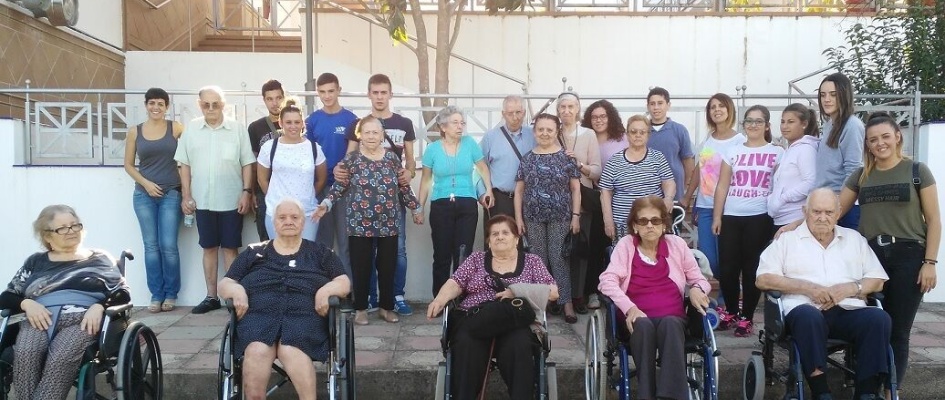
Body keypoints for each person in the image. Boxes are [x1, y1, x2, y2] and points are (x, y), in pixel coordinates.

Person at [779, 113, 940, 397]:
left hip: (908, 255)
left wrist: (930, 262)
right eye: (873, 140)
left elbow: (935, 221)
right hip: (870, 252)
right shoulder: (862, 174)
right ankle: (863, 385)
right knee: (869, 320)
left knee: (898, 330)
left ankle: (890, 391)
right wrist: (794, 224)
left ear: (897, 136)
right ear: (867, 144)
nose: (880, 144)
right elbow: (832, 211)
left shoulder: (917, 170)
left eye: (885, 137)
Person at [756, 188, 892, 400]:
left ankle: (867, 392)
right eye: (816, 211)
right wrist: (808, 288)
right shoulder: (786, 240)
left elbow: (878, 280)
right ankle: (821, 392)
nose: (822, 217)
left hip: (847, 309)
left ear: (838, 213)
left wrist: (851, 288)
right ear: (805, 211)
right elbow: (763, 278)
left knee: (878, 318)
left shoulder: (854, 239)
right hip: (804, 312)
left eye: (828, 212)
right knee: (808, 317)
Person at [218, 198, 351, 400]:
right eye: (282, 217)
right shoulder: (254, 252)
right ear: (274, 222)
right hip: (258, 318)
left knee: (291, 349)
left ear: (303, 222)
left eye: (294, 217)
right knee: (256, 349)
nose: (288, 221)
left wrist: (326, 290)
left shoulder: (320, 253)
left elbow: (343, 281)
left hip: (305, 318)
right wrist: (237, 291)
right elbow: (225, 283)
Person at [0, 205, 130, 400]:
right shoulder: (35, 262)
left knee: (60, 357)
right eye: (62, 228)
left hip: (83, 320)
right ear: (47, 236)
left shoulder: (100, 258)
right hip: (38, 319)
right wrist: (27, 304)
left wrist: (100, 306)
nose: (71, 231)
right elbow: (7, 296)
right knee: (26, 353)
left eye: (75, 226)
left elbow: (122, 293)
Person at [426, 215, 559, 400]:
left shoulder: (532, 261)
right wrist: (439, 301)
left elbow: (553, 292)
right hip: (476, 316)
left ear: (516, 239)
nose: (500, 236)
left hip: (516, 322)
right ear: (488, 241)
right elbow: (455, 282)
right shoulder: (476, 259)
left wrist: (516, 291)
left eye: (505, 232)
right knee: (465, 344)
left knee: (519, 345)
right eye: (494, 234)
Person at [597, 195, 712, 400]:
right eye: (643, 221)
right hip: (636, 320)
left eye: (656, 220)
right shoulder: (626, 245)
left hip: (672, 319)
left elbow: (700, 279)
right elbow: (607, 281)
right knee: (643, 324)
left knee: (670, 323)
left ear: (664, 224)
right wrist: (630, 308)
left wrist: (696, 289)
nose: (650, 225)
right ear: (635, 225)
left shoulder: (676, 245)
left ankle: (670, 397)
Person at [316, 116, 423, 325]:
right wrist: (326, 204)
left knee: (387, 267)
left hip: (389, 224)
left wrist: (416, 208)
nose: (372, 136)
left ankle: (386, 307)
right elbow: (339, 187)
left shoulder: (392, 159)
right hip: (359, 225)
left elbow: (403, 187)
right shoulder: (352, 160)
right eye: (367, 132)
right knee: (361, 267)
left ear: (382, 135)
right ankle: (361, 309)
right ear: (360, 136)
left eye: (375, 132)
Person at [175, 85, 256, 314]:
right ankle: (211, 297)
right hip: (203, 200)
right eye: (206, 104)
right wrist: (186, 195)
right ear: (199, 105)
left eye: (216, 104)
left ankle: (231, 296)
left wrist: (246, 192)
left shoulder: (237, 129)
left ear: (223, 105)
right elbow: (184, 164)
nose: (211, 108)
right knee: (209, 248)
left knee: (231, 248)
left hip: (231, 198)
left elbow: (247, 163)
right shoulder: (191, 129)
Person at [343, 74, 416, 315]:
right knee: (365, 255)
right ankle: (371, 298)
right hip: (363, 207)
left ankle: (397, 296)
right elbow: (350, 156)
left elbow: (411, 160)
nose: (379, 97)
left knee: (398, 251)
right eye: (375, 92)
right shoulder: (361, 123)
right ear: (369, 94)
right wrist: (340, 169)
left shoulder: (404, 123)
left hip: (393, 202)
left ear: (390, 94)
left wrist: (409, 174)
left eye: (384, 92)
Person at [711, 105, 783, 337]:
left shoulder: (777, 152)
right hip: (732, 215)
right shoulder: (732, 151)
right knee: (728, 268)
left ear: (767, 125)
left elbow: (781, 186)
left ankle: (747, 317)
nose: (753, 125)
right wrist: (717, 216)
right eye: (749, 121)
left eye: (758, 121)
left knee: (752, 268)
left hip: (760, 217)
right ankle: (731, 311)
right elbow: (722, 185)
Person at [418, 105, 494, 296]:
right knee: (442, 255)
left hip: (467, 203)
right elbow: (425, 180)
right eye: (455, 123)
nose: (460, 127)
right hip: (441, 204)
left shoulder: (469, 144)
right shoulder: (432, 149)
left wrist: (489, 191)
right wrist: (418, 207)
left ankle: (461, 300)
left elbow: (483, 168)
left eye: (462, 123)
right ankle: (440, 300)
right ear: (443, 127)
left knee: (463, 254)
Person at [514, 113, 581, 323]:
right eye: (540, 129)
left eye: (549, 130)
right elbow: (519, 191)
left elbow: (575, 190)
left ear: (556, 132)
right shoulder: (527, 159)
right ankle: (540, 304)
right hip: (532, 217)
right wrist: (518, 218)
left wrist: (576, 216)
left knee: (559, 259)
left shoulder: (567, 158)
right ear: (534, 132)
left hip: (560, 216)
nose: (544, 133)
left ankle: (566, 303)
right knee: (538, 261)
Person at [123, 87, 184, 312]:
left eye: (160, 103)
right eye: (152, 103)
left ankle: (171, 294)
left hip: (170, 193)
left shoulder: (176, 128)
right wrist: (147, 184)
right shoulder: (135, 132)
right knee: (151, 246)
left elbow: (187, 157)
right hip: (143, 194)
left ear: (166, 107)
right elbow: (128, 164)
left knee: (168, 245)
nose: (156, 107)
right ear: (146, 105)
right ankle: (156, 295)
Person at [683, 93, 745, 310]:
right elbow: (700, 171)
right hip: (705, 206)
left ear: (730, 110)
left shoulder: (740, 141)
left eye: (721, 106)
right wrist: (688, 196)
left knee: (729, 257)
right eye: (712, 107)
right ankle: (725, 297)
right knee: (709, 259)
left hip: (730, 208)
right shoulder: (708, 140)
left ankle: (728, 301)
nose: (716, 110)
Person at [306, 72, 358, 279]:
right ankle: (324, 290)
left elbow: (357, 153)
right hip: (320, 189)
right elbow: (307, 155)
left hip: (346, 189)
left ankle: (347, 293)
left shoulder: (352, 119)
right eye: (322, 92)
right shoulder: (312, 121)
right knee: (323, 243)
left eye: (331, 91)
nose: (327, 96)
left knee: (346, 243)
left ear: (339, 90)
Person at [556, 92, 602, 316]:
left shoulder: (589, 135)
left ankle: (578, 295)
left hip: (582, 202)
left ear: (578, 109)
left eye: (570, 106)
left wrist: (579, 164)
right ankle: (559, 296)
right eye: (562, 107)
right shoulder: (551, 132)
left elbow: (597, 171)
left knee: (580, 251)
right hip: (557, 202)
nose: (566, 111)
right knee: (558, 252)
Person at [257, 98, 328, 241]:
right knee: (278, 259)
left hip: (307, 214)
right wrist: (275, 198)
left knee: (305, 258)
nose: (293, 126)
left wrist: (308, 195)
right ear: (281, 123)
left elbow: (322, 179)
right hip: (276, 213)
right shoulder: (269, 147)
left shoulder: (314, 148)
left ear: (302, 123)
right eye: (288, 122)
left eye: (297, 122)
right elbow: (262, 179)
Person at [581, 99, 627, 310]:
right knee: (595, 248)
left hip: (619, 201)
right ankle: (592, 291)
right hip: (593, 199)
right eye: (594, 117)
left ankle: (617, 290)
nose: (598, 120)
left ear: (611, 117)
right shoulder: (586, 138)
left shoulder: (622, 139)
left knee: (618, 248)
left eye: (603, 116)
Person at [600, 115, 675, 241]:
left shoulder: (658, 158)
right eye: (633, 132)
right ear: (627, 134)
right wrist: (608, 220)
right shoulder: (614, 161)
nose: (637, 135)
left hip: (652, 224)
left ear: (648, 135)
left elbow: (669, 182)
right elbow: (605, 192)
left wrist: (668, 198)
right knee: (625, 259)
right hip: (623, 225)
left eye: (642, 132)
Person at [478, 95, 535, 237]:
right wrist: (482, 193)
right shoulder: (490, 137)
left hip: (528, 199)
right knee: (498, 244)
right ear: (503, 114)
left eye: (519, 112)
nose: (515, 117)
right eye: (510, 113)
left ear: (524, 113)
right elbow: (479, 167)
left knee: (525, 245)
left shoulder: (534, 135)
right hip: (499, 199)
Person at [815, 72, 865, 229]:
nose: (827, 99)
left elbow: (853, 170)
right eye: (823, 95)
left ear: (844, 95)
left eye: (833, 94)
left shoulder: (852, 125)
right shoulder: (829, 124)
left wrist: (838, 209)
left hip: (844, 207)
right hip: (827, 203)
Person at [768, 103, 819, 230]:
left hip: (794, 219)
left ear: (804, 124)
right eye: (782, 122)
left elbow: (811, 182)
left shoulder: (806, 149)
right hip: (780, 218)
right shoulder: (789, 150)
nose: (785, 126)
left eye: (791, 122)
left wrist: (783, 198)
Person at [247, 79, 286, 241]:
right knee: (266, 239)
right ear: (264, 100)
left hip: (291, 189)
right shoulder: (255, 127)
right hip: (265, 191)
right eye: (270, 99)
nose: (274, 103)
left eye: (278, 98)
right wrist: (251, 191)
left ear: (284, 97)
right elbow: (252, 162)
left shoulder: (296, 123)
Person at [646, 87, 695, 205]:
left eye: (660, 103)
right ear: (648, 106)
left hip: (675, 191)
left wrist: (685, 187)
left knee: (673, 222)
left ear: (668, 105)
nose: (656, 107)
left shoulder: (679, 130)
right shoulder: (642, 130)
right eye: (652, 104)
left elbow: (687, 160)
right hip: (648, 190)